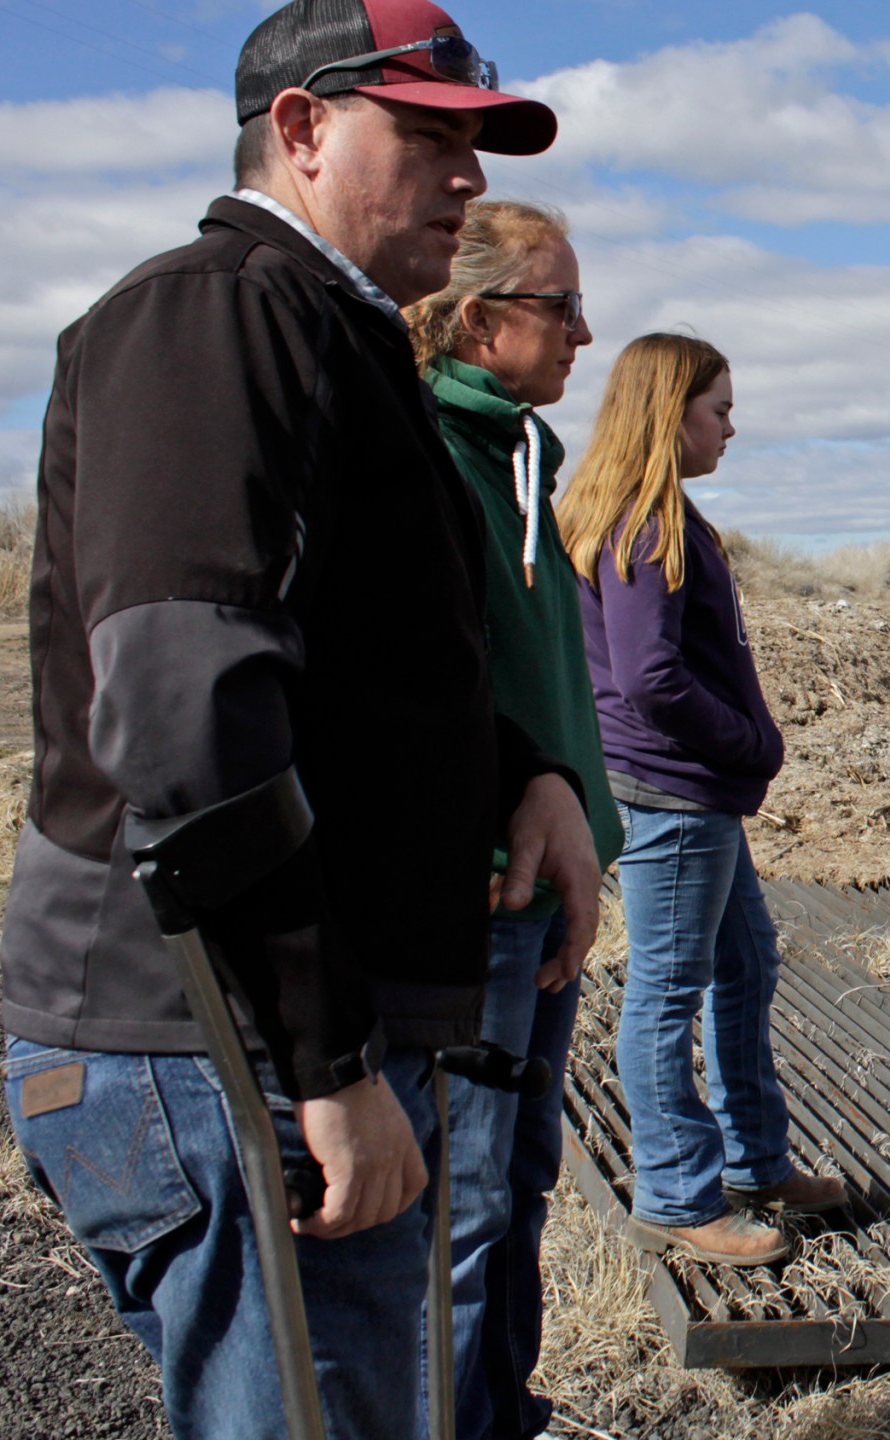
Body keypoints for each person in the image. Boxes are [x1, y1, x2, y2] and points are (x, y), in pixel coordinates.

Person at [0, 3, 598, 1435]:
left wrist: (532, 778)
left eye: (476, 145)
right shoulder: (215, 319)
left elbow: (368, 673)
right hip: (216, 1048)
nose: (465, 181)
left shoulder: (330, 336)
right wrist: (319, 1065)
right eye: (430, 137)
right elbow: (186, 729)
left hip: (277, 1045)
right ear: (304, 129)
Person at [555, 333, 847, 1266]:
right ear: (668, 411)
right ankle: (679, 1194)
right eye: (718, 408)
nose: (731, 426)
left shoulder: (648, 511)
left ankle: (756, 1162)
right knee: (668, 988)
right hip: (674, 795)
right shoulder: (648, 522)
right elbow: (648, 677)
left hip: (687, 794)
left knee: (747, 962)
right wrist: (752, 741)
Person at [403, 200, 620, 1440]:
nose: (584, 333)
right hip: (482, 893)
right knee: (466, 1202)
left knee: (518, 1184)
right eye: (559, 306)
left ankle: (503, 1413)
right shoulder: (423, 453)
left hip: (552, 888)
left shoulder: (529, 458)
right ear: (480, 321)